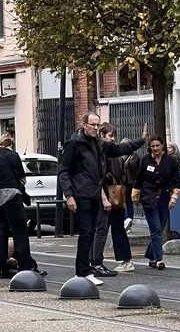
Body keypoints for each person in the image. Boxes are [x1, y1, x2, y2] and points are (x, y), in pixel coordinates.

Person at [58, 113, 146, 285]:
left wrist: (141, 141)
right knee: (86, 233)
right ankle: (82, 272)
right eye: (92, 125)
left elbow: (119, 149)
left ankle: (86, 270)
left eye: (97, 125)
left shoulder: (98, 144)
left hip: (94, 194)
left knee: (90, 232)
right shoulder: (74, 144)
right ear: (83, 125)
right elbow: (64, 171)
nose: (95, 128)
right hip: (81, 194)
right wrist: (69, 195)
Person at [0, 134, 46, 278]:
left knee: (0, 231)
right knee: (20, 231)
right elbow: (21, 177)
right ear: (11, 145)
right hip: (12, 196)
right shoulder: (13, 156)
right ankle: (25, 266)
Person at [132, 136, 180, 270]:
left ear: (162, 145)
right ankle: (159, 259)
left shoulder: (170, 161)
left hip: (164, 197)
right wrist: (135, 196)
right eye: (152, 146)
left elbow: (175, 180)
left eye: (157, 146)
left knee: (161, 226)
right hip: (148, 198)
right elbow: (138, 179)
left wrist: (174, 197)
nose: (155, 149)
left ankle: (150, 255)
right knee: (156, 229)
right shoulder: (145, 160)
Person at [91, 124, 134, 274]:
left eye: (112, 135)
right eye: (111, 135)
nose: (113, 138)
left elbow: (108, 175)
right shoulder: (113, 153)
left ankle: (96, 260)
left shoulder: (106, 153)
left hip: (108, 194)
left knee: (101, 229)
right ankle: (125, 259)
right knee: (116, 229)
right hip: (117, 194)